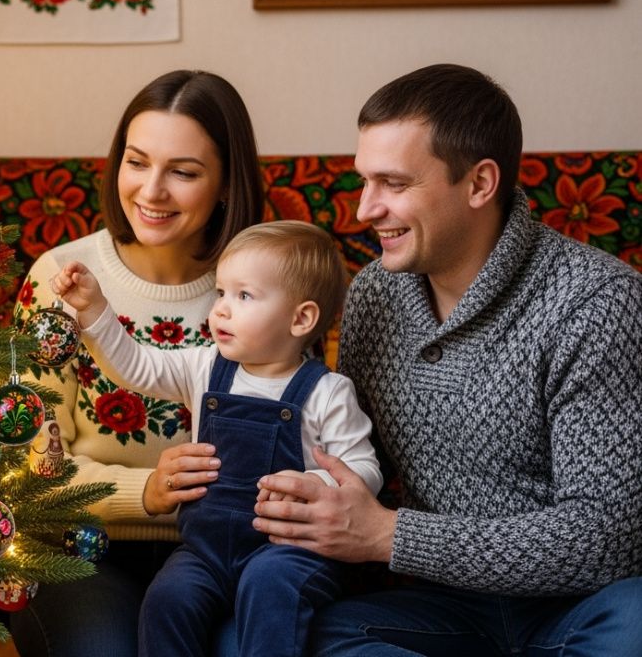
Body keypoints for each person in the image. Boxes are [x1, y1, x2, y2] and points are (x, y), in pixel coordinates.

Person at [251, 63, 642, 655]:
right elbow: (351, 459)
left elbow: (607, 538)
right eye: (364, 181)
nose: (364, 210)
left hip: (579, 607)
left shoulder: (598, 303)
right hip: (441, 607)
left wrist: (391, 536)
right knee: (263, 631)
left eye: (393, 184)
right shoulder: (374, 294)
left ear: (479, 183)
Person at [8, 69, 265, 656]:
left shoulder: (266, 284)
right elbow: (30, 468)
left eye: (183, 172)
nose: (151, 191)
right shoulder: (61, 279)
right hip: (81, 553)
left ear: (227, 182)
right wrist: (146, 490)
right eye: (136, 162)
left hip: (224, 554)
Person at [52, 221, 382, 656]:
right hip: (205, 550)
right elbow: (136, 366)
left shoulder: (326, 391)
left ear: (301, 318)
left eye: (243, 296)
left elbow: (363, 469)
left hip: (288, 551)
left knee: (270, 586)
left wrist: (315, 483)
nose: (221, 310)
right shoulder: (206, 367)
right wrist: (95, 310)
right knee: (167, 599)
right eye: (221, 293)